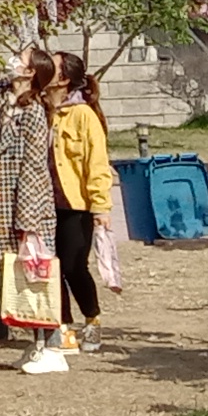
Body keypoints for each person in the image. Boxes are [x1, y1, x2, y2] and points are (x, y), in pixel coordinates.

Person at [0, 55, 71, 374]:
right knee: (23, 278)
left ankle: (53, 347)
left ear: (31, 71)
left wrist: (28, 222)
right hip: (7, 204)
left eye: (21, 57)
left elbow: (34, 166)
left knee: (39, 275)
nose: (13, 59)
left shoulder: (34, 110)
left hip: (29, 207)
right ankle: (38, 345)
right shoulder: (1, 95)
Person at [51, 55, 115, 356]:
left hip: (76, 205)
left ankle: (92, 318)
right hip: (43, 205)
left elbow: (97, 163)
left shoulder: (83, 115)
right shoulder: (41, 110)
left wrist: (100, 206)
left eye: (52, 68)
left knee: (74, 266)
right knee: (50, 268)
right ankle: (62, 326)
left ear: (64, 79)